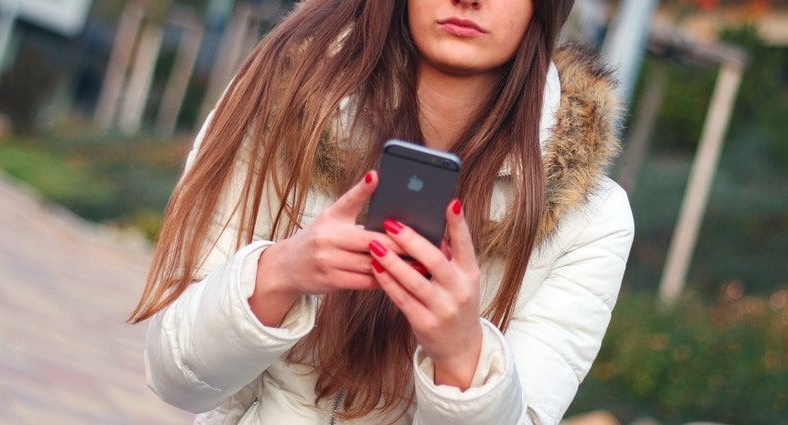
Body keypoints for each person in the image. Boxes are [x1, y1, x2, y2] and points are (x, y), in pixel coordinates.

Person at [129, 0, 634, 423]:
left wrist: (462, 358)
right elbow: (176, 377)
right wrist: (278, 275)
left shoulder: (591, 219)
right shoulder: (280, 107)